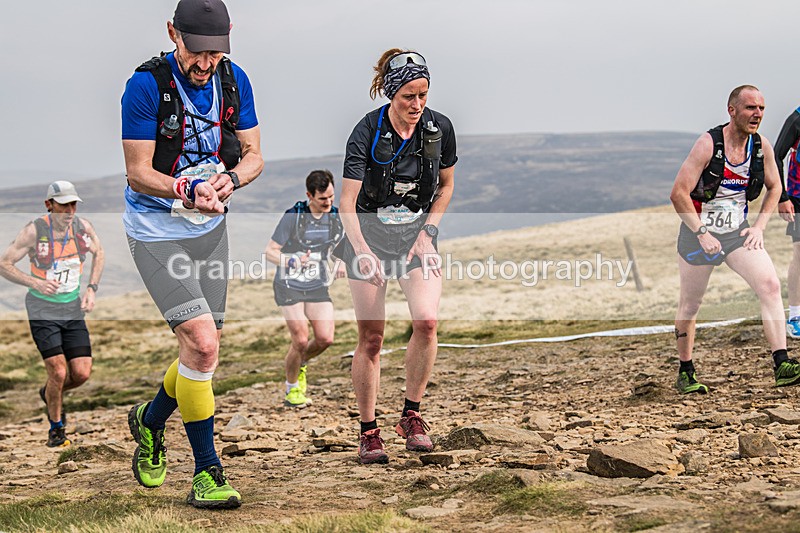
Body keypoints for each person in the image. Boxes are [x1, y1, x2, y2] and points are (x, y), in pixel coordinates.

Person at [121, 0, 262, 509]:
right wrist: (184, 189)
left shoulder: (232, 79)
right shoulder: (145, 86)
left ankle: (150, 420)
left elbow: (254, 155)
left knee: (203, 351)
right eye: (196, 51)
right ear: (172, 34)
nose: (206, 64)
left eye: (216, 52)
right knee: (202, 345)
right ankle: (208, 472)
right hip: (157, 231)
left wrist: (231, 179)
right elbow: (138, 172)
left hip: (209, 229)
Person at [336, 49, 457, 464]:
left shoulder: (439, 129)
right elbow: (347, 203)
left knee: (426, 321)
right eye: (408, 96)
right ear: (391, 93)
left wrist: (429, 232)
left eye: (423, 94)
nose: (417, 105)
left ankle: (412, 415)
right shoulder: (366, 132)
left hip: (415, 240)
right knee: (372, 338)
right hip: (365, 238)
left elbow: (446, 185)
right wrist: (363, 251)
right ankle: (369, 431)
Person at [670, 85, 800, 394]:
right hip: (697, 235)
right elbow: (678, 194)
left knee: (769, 285)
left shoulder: (761, 147)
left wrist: (759, 226)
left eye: (762, 109)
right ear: (732, 110)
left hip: (736, 234)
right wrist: (701, 233)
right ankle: (686, 370)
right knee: (690, 306)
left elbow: (774, 187)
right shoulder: (708, 145)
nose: (757, 114)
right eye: (750, 108)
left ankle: (781, 362)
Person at [0, 181, 104, 448]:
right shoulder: (35, 231)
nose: (69, 211)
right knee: (57, 372)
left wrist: (91, 289)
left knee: (80, 374)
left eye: (73, 204)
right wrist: (35, 282)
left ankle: (49, 394)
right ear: (49, 205)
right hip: (42, 308)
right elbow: (4, 263)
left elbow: (99, 253)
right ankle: (56, 429)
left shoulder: (83, 228)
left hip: (72, 309)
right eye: (63, 205)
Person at [265, 170, 345, 408]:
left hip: (317, 283)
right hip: (289, 283)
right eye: (323, 199)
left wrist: (340, 262)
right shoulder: (294, 216)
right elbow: (270, 251)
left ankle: (299, 363)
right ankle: (292, 390)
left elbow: (342, 246)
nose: (329, 203)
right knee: (300, 341)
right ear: (309, 195)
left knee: (325, 338)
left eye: (331, 197)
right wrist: (292, 261)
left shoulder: (336, 216)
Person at [773, 107, 800, 337]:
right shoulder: (797, 118)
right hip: (798, 196)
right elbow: (776, 154)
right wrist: (782, 197)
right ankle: (795, 316)